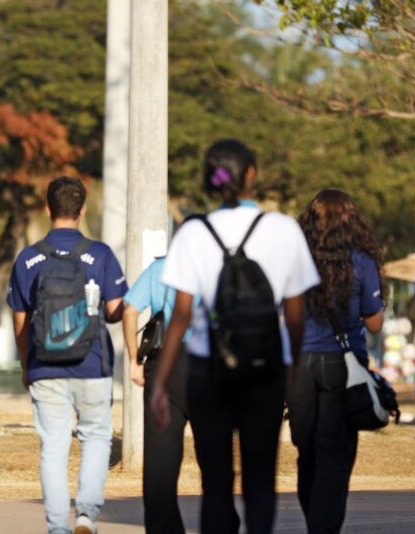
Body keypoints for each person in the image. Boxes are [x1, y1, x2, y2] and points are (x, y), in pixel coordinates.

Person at [150, 139, 320, 533]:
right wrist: (291, 364)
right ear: (251, 175)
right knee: (261, 480)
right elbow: (296, 314)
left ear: (210, 180)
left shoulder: (194, 232)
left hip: (207, 371)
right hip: (265, 367)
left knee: (216, 485)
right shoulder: (283, 229)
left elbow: (180, 316)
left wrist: (160, 382)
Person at [8, 176, 127, 534]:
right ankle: (87, 516)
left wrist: (26, 363)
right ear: (83, 210)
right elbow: (115, 309)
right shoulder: (101, 254)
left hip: (45, 366)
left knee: (53, 449)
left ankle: (57, 528)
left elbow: (20, 318)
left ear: (47, 209)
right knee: (95, 438)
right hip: (92, 365)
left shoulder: (28, 259)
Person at [290, 189, 385, 534]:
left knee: (307, 451)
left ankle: (316, 520)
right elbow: (374, 323)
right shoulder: (360, 261)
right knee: (335, 455)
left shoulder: (294, 260)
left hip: (298, 365)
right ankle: (322, 527)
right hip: (342, 365)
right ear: (350, 221)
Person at [122, 256, 190, 534]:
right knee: (215, 456)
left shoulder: (160, 267)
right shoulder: (216, 264)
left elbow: (129, 311)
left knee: (160, 457)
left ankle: (164, 528)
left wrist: (133, 359)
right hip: (206, 364)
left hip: (163, 364)